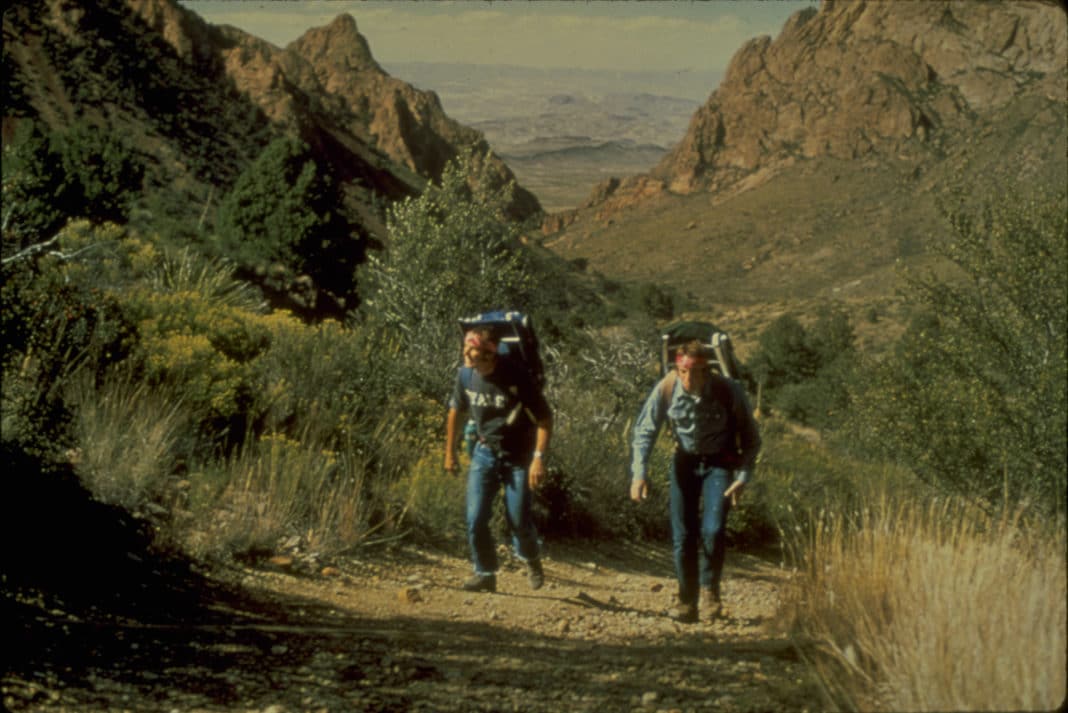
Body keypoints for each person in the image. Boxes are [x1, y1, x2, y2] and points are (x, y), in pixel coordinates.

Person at [630, 340, 761, 623]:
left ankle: (710, 592)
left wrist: (743, 477)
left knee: (713, 530)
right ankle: (686, 600)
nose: (689, 378)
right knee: (683, 535)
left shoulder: (729, 391)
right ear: (677, 369)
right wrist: (639, 473)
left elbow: (752, 439)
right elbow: (645, 430)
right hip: (684, 462)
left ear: (708, 371)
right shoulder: (666, 388)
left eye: (697, 371)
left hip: (719, 464)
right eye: (683, 371)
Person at [445, 326, 552, 593]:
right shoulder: (465, 375)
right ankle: (485, 573)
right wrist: (450, 451)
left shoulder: (516, 376)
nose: (472, 361)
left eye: (477, 356)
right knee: (476, 518)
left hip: (519, 457)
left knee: (518, 519)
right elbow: (456, 411)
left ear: (491, 355)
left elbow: (544, 418)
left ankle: (531, 558)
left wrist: (538, 458)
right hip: (484, 453)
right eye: (468, 354)